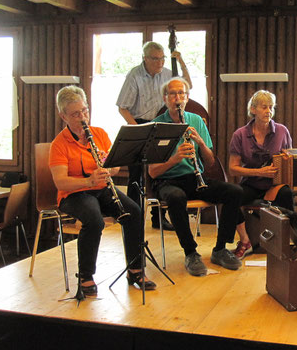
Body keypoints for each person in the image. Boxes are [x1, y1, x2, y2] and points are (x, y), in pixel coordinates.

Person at [49, 85, 155, 297]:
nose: (83, 117)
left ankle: (135, 270)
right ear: (63, 116)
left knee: (134, 212)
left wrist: (108, 168)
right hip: (74, 194)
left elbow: (115, 166)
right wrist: (88, 181)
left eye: (85, 110)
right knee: (94, 220)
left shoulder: (99, 134)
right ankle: (86, 276)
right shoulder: (59, 144)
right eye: (76, 114)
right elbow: (61, 182)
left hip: (102, 188)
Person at [148, 77, 243, 276]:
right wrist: (175, 159)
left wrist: (200, 142)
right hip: (167, 180)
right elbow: (153, 172)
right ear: (165, 98)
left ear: (187, 97)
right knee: (176, 197)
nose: (177, 98)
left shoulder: (196, 120)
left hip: (195, 177)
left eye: (181, 93)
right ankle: (191, 253)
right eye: (172, 94)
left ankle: (220, 249)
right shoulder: (156, 125)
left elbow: (209, 162)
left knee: (234, 192)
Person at [116, 41, 191, 230]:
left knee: (160, 170)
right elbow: (122, 107)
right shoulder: (134, 75)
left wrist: (180, 62)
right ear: (145, 58)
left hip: (162, 123)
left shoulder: (167, 73)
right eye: (156, 58)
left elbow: (187, 85)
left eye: (162, 58)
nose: (160, 62)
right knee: (136, 174)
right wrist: (137, 130)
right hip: (139, 124)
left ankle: (158, 217)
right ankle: (132, 215)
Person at [228, 90, 294, 259]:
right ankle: (244, 240)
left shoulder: (282, 131)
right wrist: (259, 172)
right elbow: (233, 168)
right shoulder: (240, 134)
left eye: (271, 107)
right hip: (251, 183)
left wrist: (295, 163)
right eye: (264, 107)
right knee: (231, 198)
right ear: (253, 109)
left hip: (274, 184)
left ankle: (289, 243)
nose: (268, 111)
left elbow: (289, 159)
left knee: (287, 194)